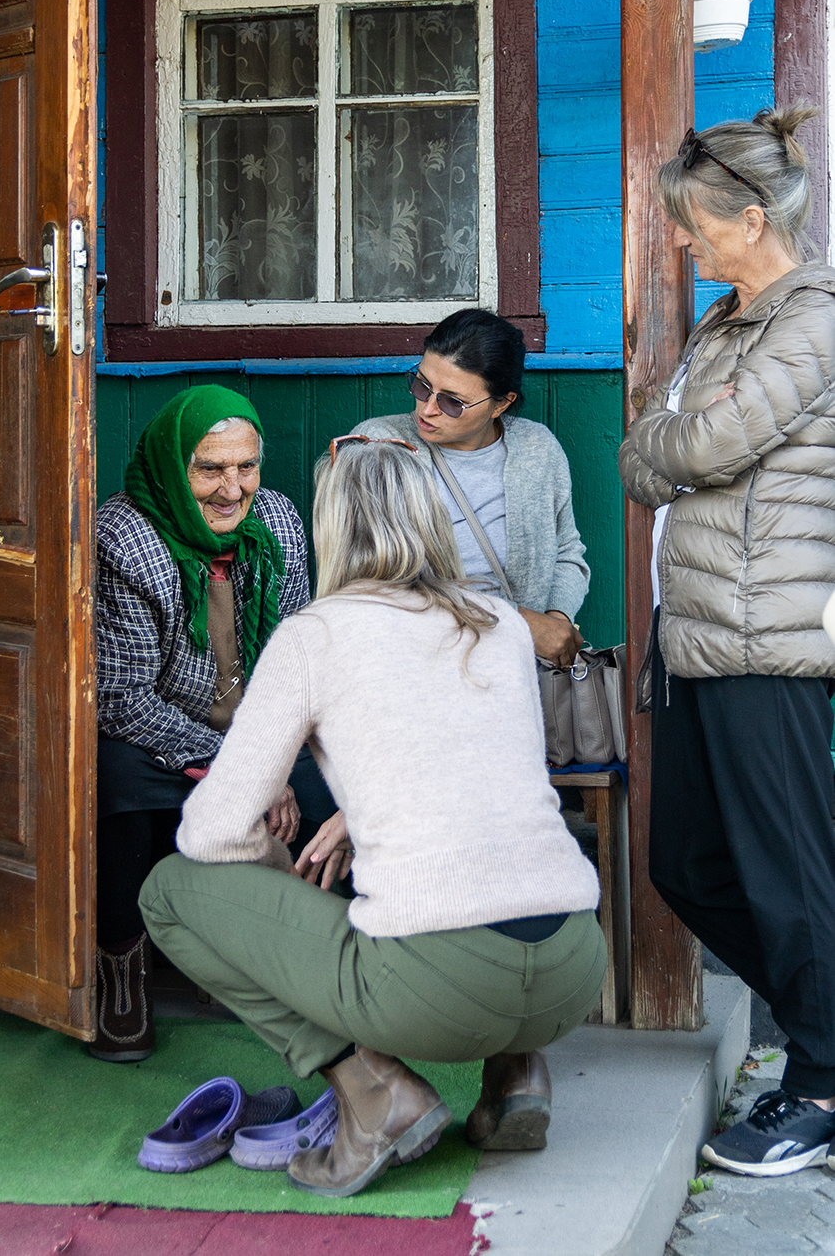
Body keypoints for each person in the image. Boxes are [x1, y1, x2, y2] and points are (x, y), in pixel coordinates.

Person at [139, 439, 605, 1197]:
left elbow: (209, 831)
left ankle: (372, 1093)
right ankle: (518, 1076)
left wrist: (278, 871)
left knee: (168, 890)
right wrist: (362, 816)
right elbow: (484, 772)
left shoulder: (315, 636)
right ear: (432, 520)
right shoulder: (501, 623)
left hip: (439, 988)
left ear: (331, 527)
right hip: (572, 968)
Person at [619, 104, 835, 1177]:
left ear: (751, 218)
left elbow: (695, 443)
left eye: (696, 223)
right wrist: (665, 449)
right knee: (686, 865)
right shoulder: (725, 327)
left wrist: (664, 447)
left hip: (768, 632)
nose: (684, 241)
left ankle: (824, 1072)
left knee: (787, 872)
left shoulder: (813, 319)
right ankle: (829, 1024)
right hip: (696, 630)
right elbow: (651, 458)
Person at [348, 306, 591, 1143]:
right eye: (422, 386)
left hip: (511, 678)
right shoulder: (374, 449)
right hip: (405, 674)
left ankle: (510, 1055)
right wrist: (520, 625)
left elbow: (568, 550)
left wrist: (555, 615)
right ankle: (509, 1057)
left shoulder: (539, 456)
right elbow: (367, 588)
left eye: (453, 401)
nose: (426, 409)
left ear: (504, 404)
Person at [93, 383, 322, 1062]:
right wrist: (238, 767)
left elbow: (296, 659)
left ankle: (243, 960)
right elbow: (124, 699)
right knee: (118, 789)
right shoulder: (127, 538)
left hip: (260, 727)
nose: (232, 489)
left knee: (330, 797)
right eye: (210, 469)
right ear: (173, 465)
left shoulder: (276, 523)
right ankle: (121, 976)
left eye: (246, 466)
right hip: (161, 734)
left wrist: (270, 760)